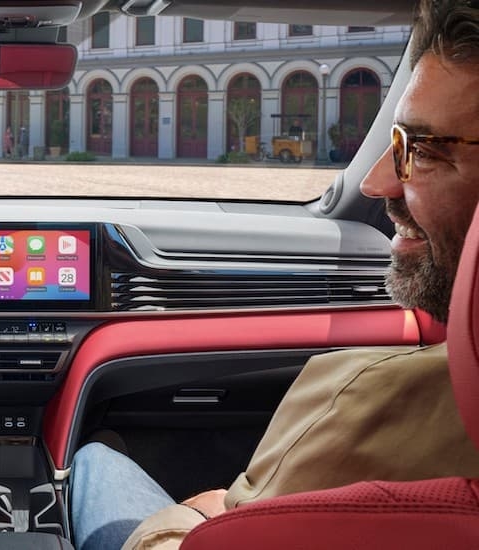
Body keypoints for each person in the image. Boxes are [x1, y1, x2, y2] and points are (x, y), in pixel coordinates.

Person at [70, 1, 479, 549]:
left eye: (423, 150)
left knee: (96, 459)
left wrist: (197, 516)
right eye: (396, 142)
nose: (377, 183)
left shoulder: (373, 394)